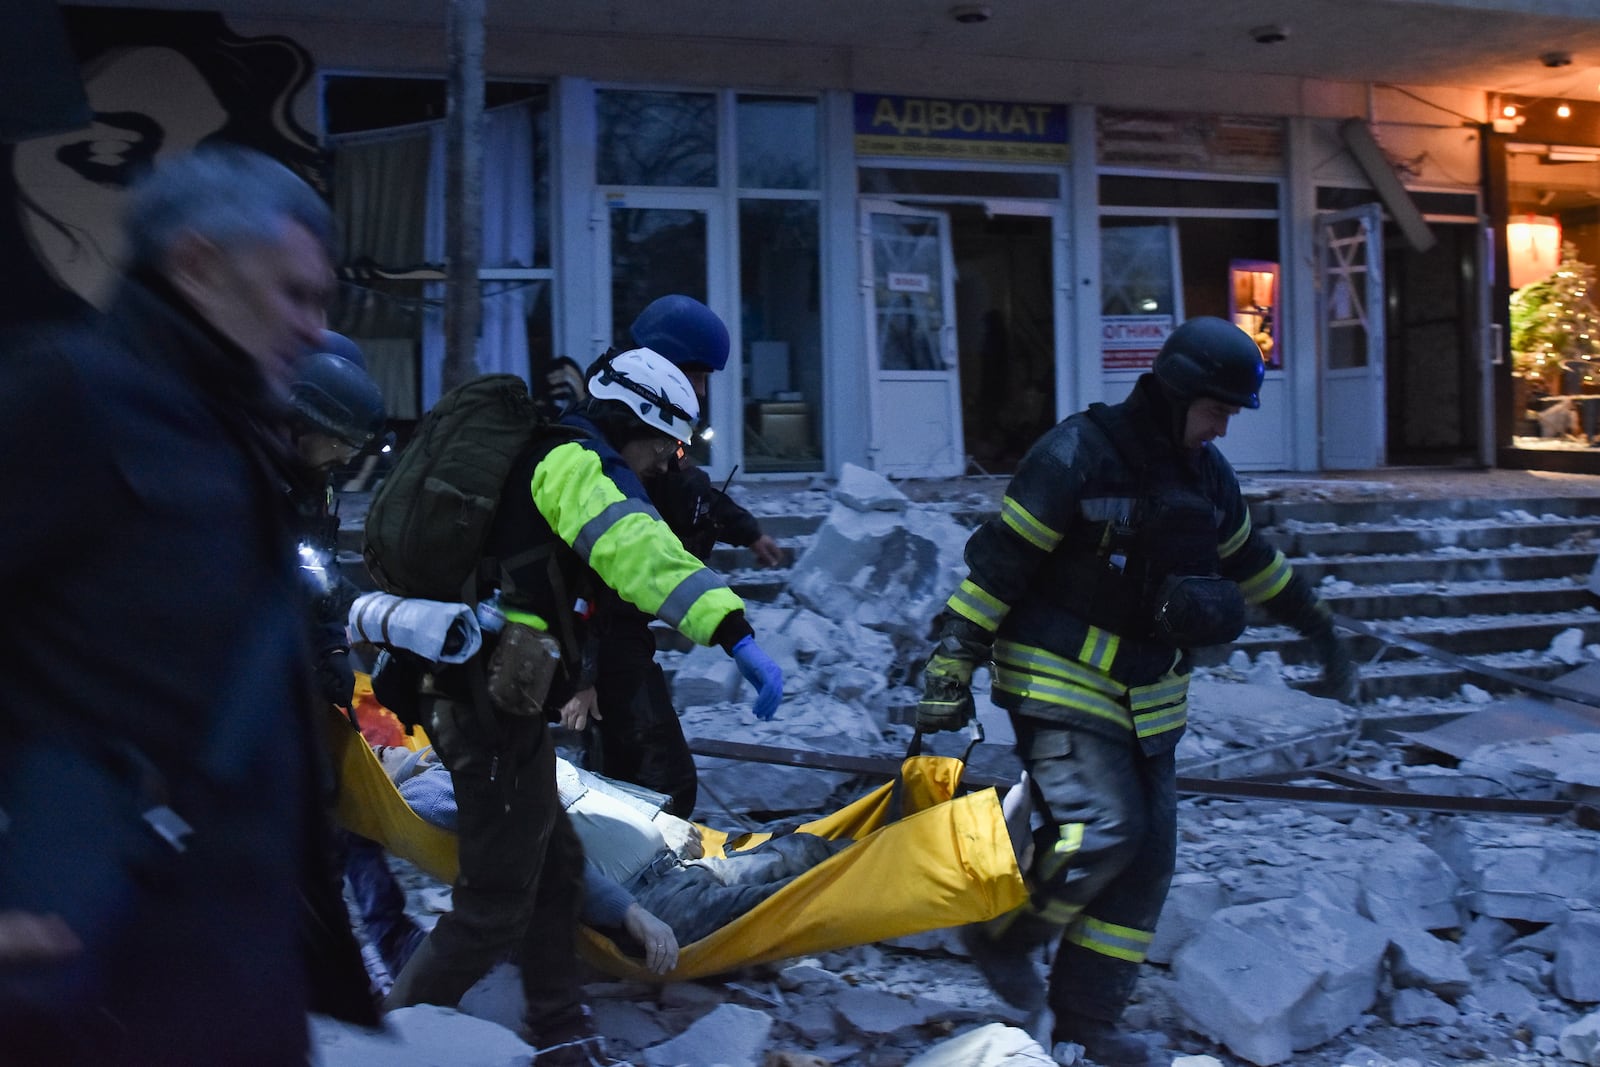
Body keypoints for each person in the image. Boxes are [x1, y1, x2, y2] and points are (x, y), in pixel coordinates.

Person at [0, 145, 375, 1063]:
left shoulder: (226, 427)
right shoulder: (69, 396)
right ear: (200, 265)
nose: (316, 330)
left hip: (232, 967)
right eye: (295, 295)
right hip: (91, 974)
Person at [916, 316, 1356, 1067]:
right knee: (1102, 828)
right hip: (1053, 675)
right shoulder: (1077, 454)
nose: (1221, 429)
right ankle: (1003, 941)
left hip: (1152, 696)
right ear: (1179, 393)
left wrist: (1317, 627)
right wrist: (951, 668)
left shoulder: (1207, 476)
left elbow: (1252, 559)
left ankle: (1087, 1019)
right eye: (1216, 410)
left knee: (1148, 857)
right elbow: (999, 566)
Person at [377, 347, 785, 1067]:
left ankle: (564, 1028)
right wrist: (732, 629)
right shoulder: (572, 463)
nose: (666, 463)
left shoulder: (549, 451)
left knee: (555, 859)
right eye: (665, 445)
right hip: (482, 701)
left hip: (489, 694)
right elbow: (635, 546)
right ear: (636, 423)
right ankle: (387, 1039)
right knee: (494, 899)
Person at [576, 295, 783, 817]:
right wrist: (582, 675)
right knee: (661, 780)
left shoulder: (644, 430)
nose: (703, 390)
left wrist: (748, 531)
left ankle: (617, 881)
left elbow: (692, 493)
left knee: (625, 776)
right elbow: (626, 557)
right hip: (601, 636)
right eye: (696, 374)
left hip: (621, 629)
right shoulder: (599, 456)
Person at [392, 750, 846, 972]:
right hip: (650, 903)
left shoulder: (498, 753)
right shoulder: (427, 787)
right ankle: (902, 878)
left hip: (677, 868)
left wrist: (657, 818)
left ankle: (897, 851)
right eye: (378, 751)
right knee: (800, 899)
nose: (384, 746)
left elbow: (588, 784)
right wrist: (629, 913)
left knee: (805, 849)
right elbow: (533, 851)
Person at [284, 336, 426, 984]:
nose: (347, 454)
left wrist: (356, 629)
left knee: (351, 798)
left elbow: (314, 570)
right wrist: (345, 633)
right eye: (337, 438)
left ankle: (385, 933)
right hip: (260, 684)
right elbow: (293, 578)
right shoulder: (257, 479)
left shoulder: (313, 479)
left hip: (307, 671)